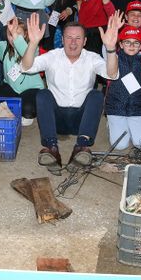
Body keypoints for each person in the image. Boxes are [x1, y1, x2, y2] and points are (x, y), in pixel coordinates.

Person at [21, 12, 121, 171]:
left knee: (96, 95)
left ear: (85, 41)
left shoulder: (92, 57)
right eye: (69, 37)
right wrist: (33, 43)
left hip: (82, 121)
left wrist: (110, 49)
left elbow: (112, 74)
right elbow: (26, 67)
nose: (73, 42)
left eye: (78, 38)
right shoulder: (52, 56)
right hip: (56, 120)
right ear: (62, 39)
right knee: (43, 94)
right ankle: (51, 148)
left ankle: (81, 147)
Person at [104, 21, 141, 151]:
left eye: (136, 43)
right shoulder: (113, 57)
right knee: (120, 145)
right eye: (127, 42)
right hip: (115, 107)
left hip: (137, 108)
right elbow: (107, 48)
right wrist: (114, 31)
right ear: (120, 44)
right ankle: (112, 124)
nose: (131, 45)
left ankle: (129, 127)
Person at [0, 16, 45, 125]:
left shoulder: (32, 47)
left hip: (32, 89)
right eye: (10, 34)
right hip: (11, 88)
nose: (13, 37)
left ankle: (24, 112)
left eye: (17, 33)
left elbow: (25, 53)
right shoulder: (5, 48)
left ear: (25, 34)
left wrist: (16, 37)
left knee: (27, 108)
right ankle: (15, 108)